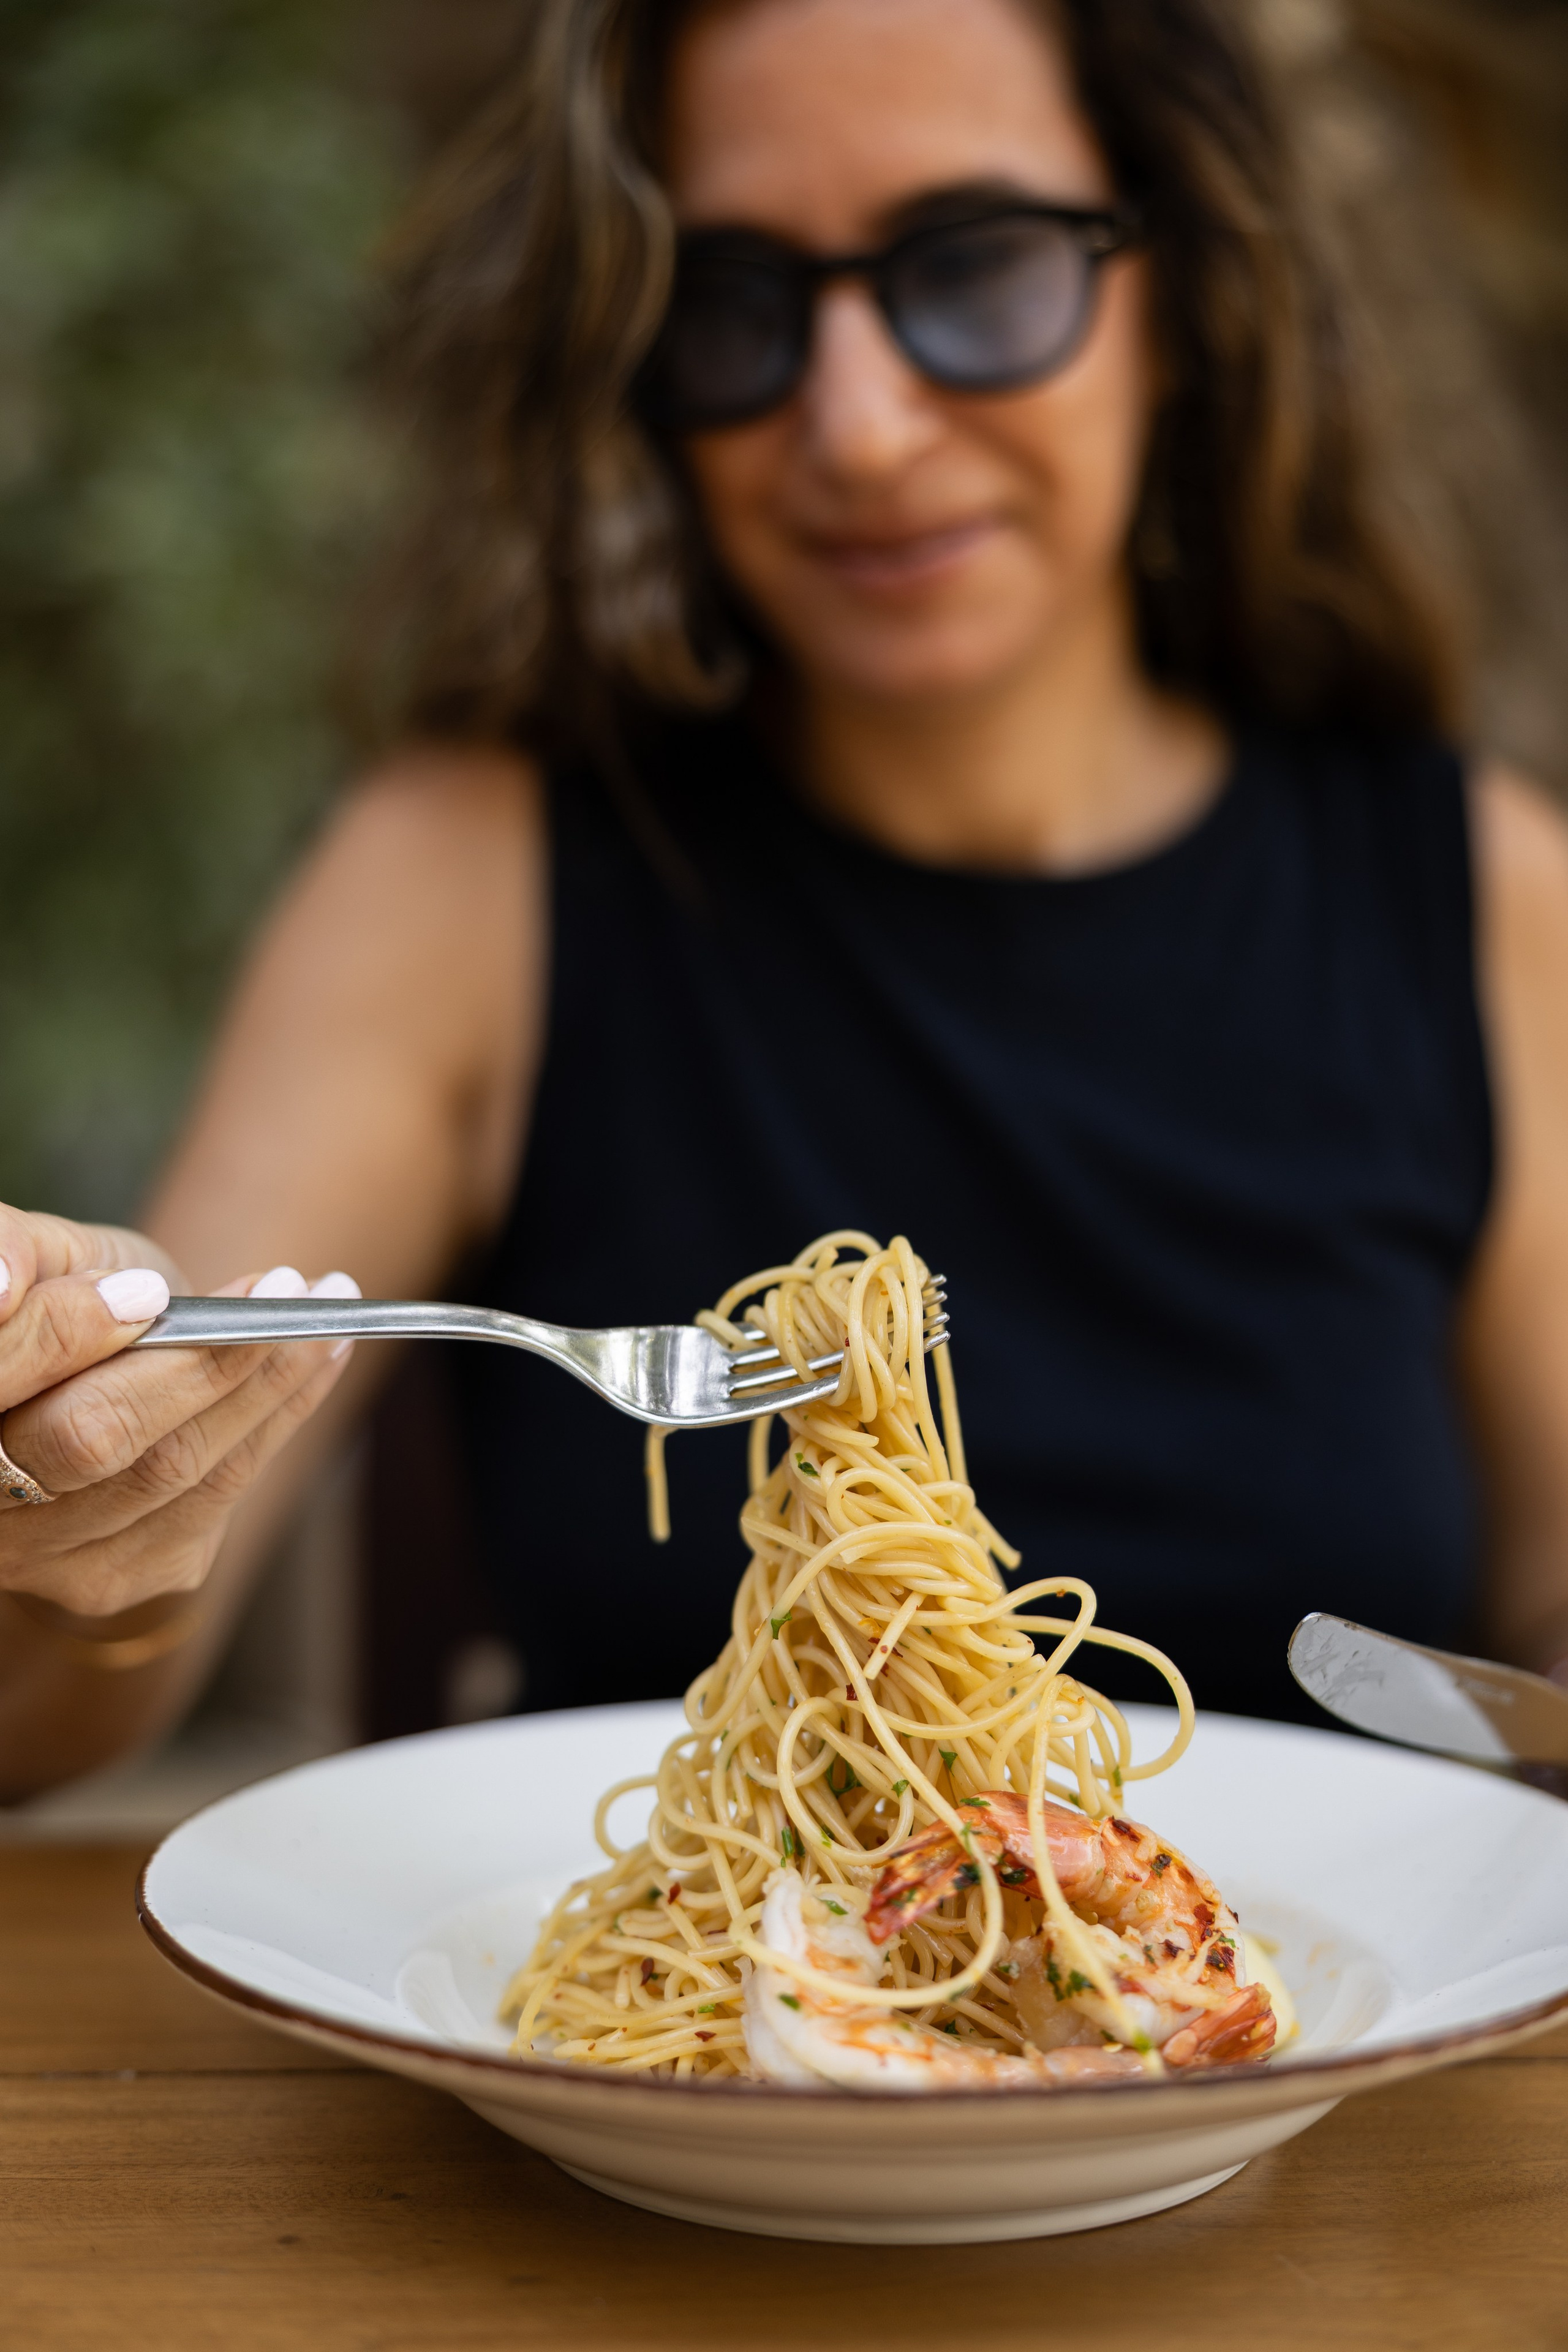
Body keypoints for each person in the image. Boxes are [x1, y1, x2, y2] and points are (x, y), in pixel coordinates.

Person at [2, 0, 1567, 1799]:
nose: (863, 426)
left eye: (976, 271)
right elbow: (75, 1685)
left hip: (1312, 2035)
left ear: (1185, 294)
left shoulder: (1483, 893)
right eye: (738, 302)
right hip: (662, 2055)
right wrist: (84, 1531)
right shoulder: (464, 882)